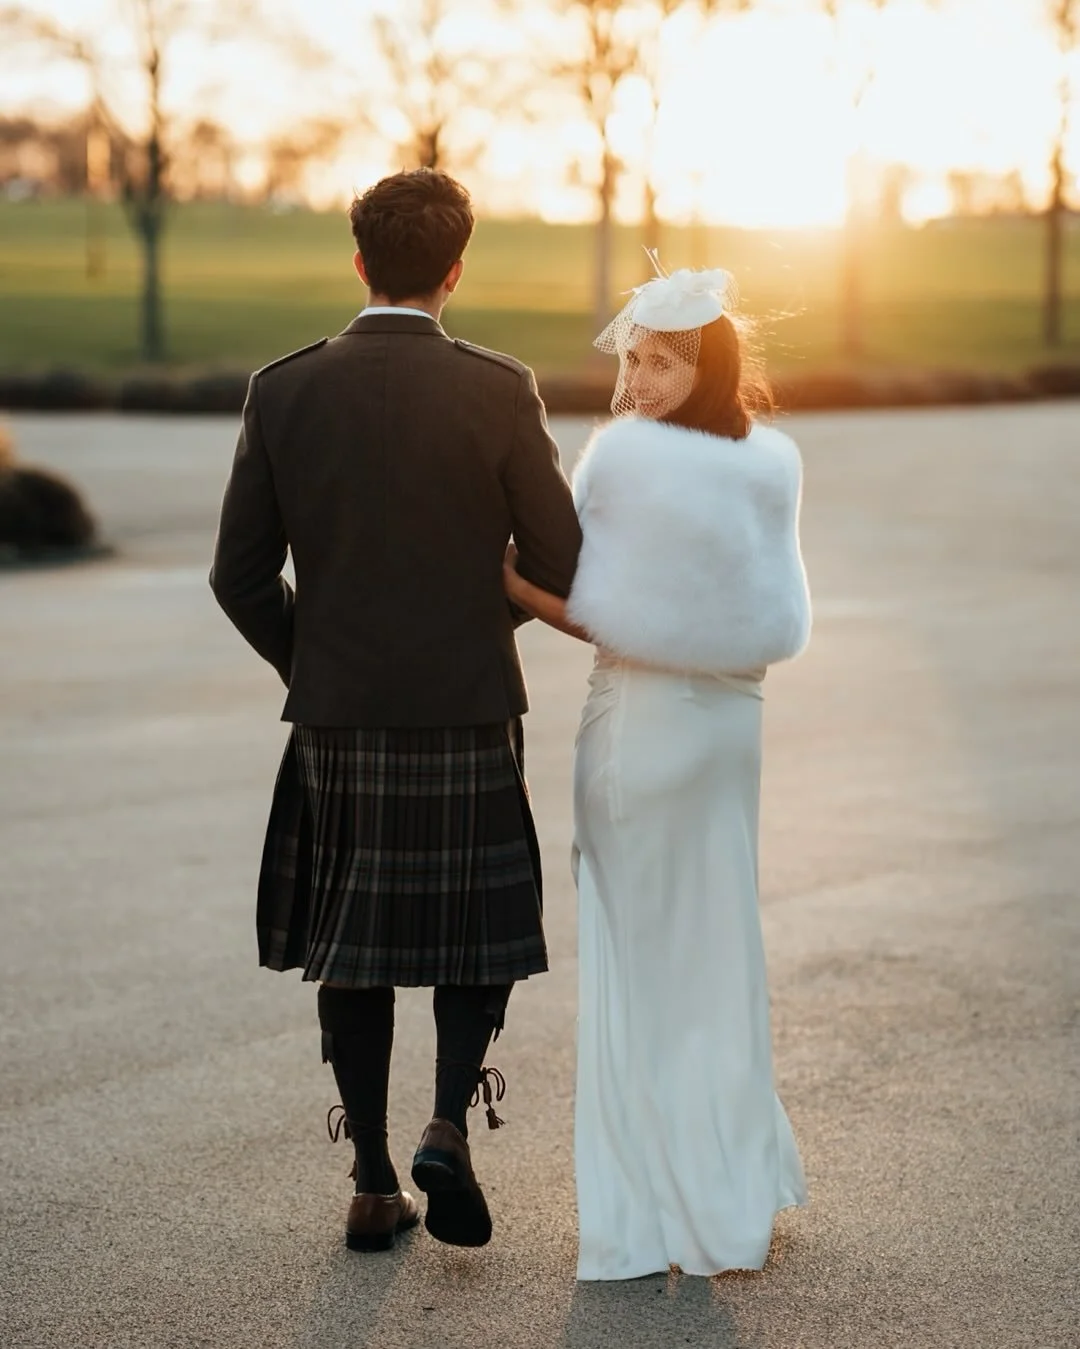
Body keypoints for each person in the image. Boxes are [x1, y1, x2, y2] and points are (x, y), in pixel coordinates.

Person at [210, 169, 582, 1253]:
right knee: (477, 932)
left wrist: (320, 662)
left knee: (354, 941)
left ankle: (374, 1179)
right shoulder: (500, 387)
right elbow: (559, 560)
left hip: (339, 717)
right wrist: (465, 630)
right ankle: (446, 1124)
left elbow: (239, 577)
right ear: (455, 270)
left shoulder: (282, 389)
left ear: (358, 261)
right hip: (467, 708)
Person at [504, 264, 811, 1280]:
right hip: (731, 737)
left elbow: (596, 611)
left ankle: (653, 1201)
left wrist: (503, 578)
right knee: (716, 952)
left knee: (640, 966)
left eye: (658, 360)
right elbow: (768, 619)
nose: (635, 380)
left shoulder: (625, 459)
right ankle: (726, 1184)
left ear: (701, 364)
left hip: (640, 732)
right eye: (632, 358)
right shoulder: (773, 463)